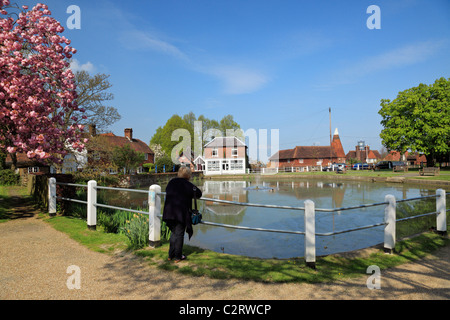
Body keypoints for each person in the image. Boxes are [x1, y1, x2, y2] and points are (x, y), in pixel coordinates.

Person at [162, 166, 202, 262]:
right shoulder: (188, 185)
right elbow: (199, 194)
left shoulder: (171, 182)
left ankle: (170, 255)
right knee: (179, 234)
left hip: (169, 212)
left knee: (174, 233)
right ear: (188, 175)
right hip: (180, 214)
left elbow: (167, 191)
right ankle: (178, 256)